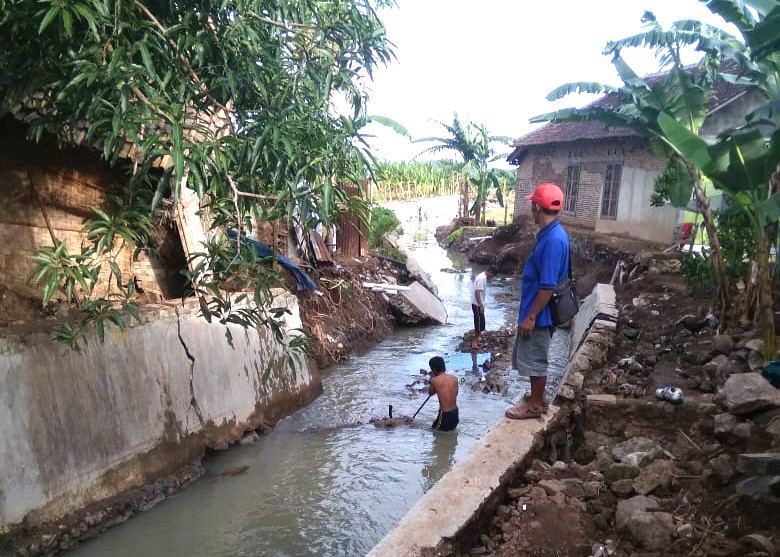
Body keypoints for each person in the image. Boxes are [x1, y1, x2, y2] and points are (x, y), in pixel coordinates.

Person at [505, 183, 570, 420]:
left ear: (536, 207)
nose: (531, 208)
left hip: (540, 313)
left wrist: (531, 317)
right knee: (534, 355)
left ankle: (534, 405)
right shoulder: (552, 234)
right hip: (539, 310)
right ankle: (537, 398)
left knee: (535, 358)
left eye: (532, 204)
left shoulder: (553, 240)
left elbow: (548, 284)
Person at [471, 265, 498, 372]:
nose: (493, 277)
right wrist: (481, 305)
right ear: (490, 272)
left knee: (481, 324)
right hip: (477, 305)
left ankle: (476, 341)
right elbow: (477, 292)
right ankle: (474, 343)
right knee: (478, 324)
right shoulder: (482, 278)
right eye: (493, 275)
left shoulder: (482, 276)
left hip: (477, 304)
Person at [428, 356, 459, 431]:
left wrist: (431, 378)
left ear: (434, 369)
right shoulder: (454, 378)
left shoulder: (434, 380)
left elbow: (430, 393)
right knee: (449, 432)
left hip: (445, 414)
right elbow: (456, 393)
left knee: (435, 432)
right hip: (455, 412)